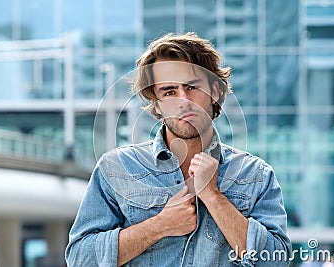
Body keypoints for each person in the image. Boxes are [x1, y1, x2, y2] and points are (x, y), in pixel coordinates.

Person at [65, 32, 291, 266]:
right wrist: (160, 225)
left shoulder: (255, 175)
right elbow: (80, 258)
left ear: (214, 92)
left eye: (192, 87)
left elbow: (276, 261)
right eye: (169, 92)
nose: (184, 100)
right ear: (157, 104)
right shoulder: (116, 168)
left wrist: (213, 197)